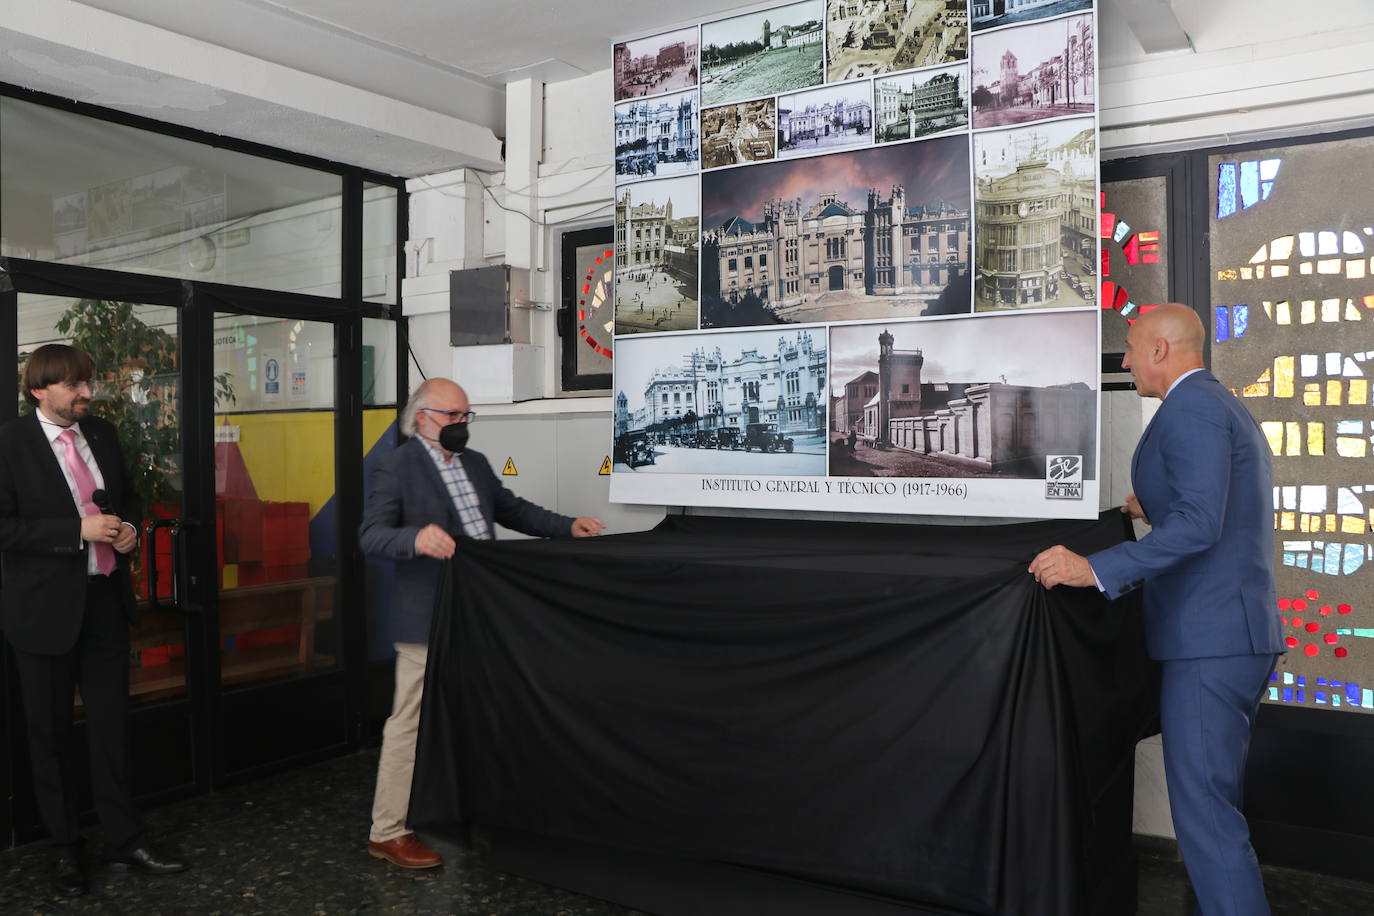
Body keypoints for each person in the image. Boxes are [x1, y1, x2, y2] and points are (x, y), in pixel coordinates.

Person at [1028, 304, 1284, 916]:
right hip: (1230, 635)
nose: (1126, 360)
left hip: (1210, 642)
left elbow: (1201, 524)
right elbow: (1213, 508)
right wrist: (1157, 507)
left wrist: (1094, 568)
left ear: (1162, 350)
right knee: (1212, 810)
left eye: (1132, 347)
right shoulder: (1218, 405)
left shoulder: (1191, 407)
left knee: (1207, 819)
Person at [359, 378, 605, 869]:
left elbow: (512, 510)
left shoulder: (474, 463)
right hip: (427, 618)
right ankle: (388, 831)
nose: (461, 426)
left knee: (482, 716)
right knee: (410, 724)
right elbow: (372, 536)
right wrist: (416, 539)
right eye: (453, 417)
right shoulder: (395, 466)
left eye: (467, 416)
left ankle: (474, 813)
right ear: (422, 417)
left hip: (480, 613)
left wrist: (566, 526)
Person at [0, 344, 187, 897]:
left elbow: (126, 499)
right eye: (74, 386)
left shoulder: (101, 433)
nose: (87, 393)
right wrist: (73, 532)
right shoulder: (9, 443)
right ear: (40, 390)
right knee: (50, 735)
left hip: (104, 600)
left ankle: (125, 839)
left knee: (112, 729)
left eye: (87, 383)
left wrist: (128, 529)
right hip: (41, 614)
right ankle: (64, 849)